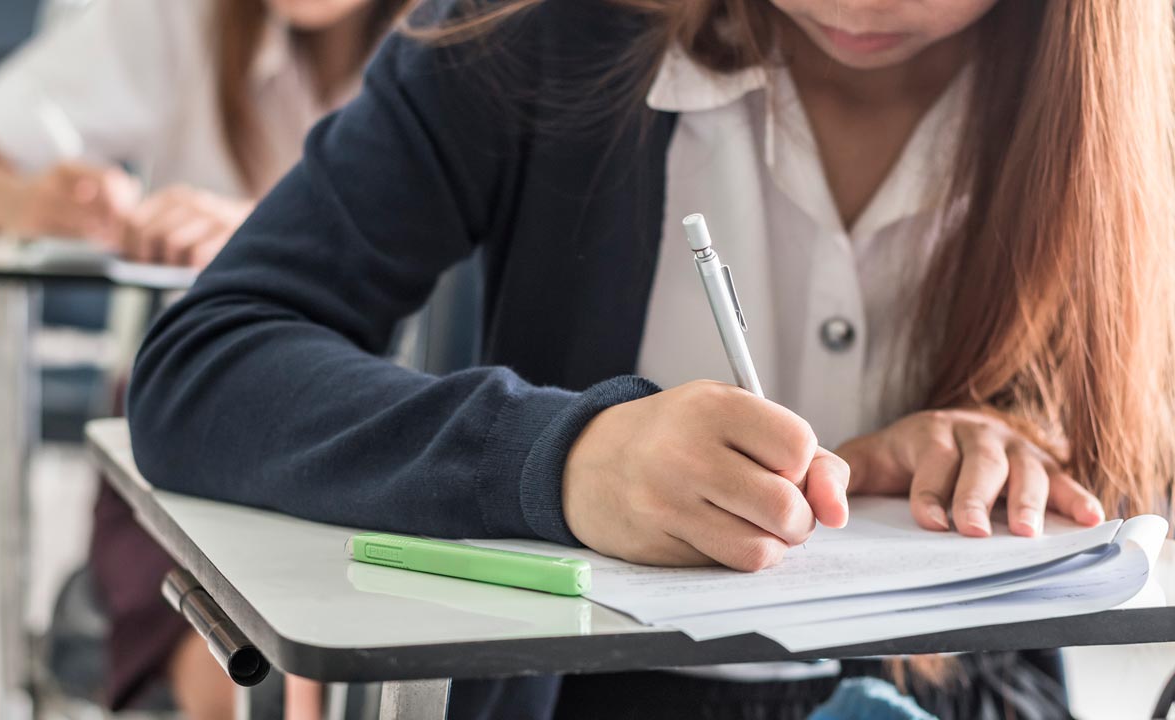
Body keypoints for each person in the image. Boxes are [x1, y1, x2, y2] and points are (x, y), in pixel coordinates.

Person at [125, 0, 1175, 718]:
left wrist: (1024, 439)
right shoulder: (531, 35)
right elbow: (208, 363)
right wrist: (566, 459)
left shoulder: (1125, 102)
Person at [0, 0, 409, 717]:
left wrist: (272, 236)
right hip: (196, 439)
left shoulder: (471, 42)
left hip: (392, 437)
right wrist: (29, 202)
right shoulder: (178, 20)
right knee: (246, 669)